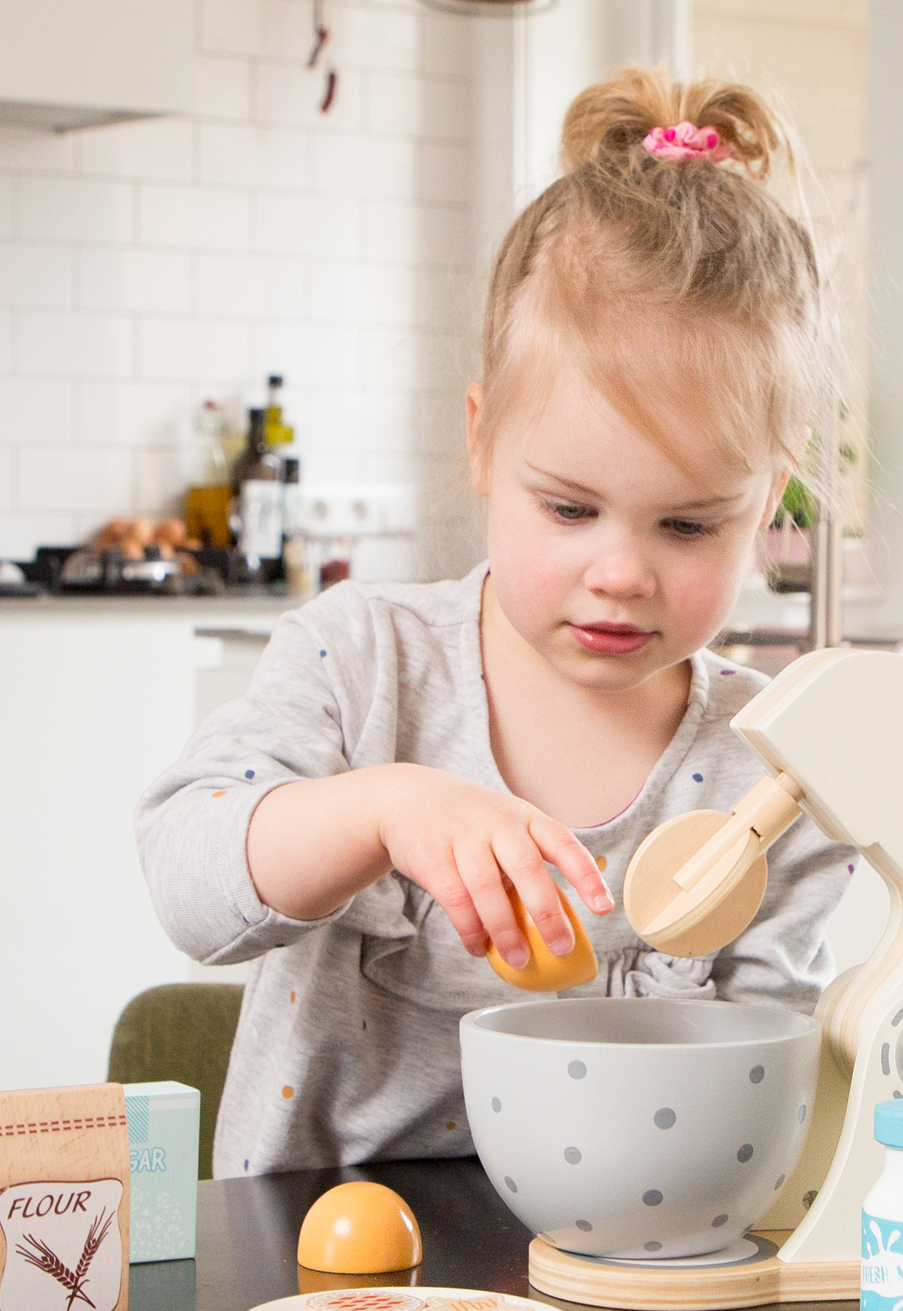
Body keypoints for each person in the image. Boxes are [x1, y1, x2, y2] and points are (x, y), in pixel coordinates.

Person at [136, 66, 856, 1180]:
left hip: (627, 1283)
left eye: (687, 525)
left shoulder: (774, 779)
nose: (619, 573)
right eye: (568, 508)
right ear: (481, 442)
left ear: (768, 505)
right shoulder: (362, 659)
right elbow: (188, 881)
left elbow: (769, 1114)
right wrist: (384, 808)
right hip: (323, 1296)